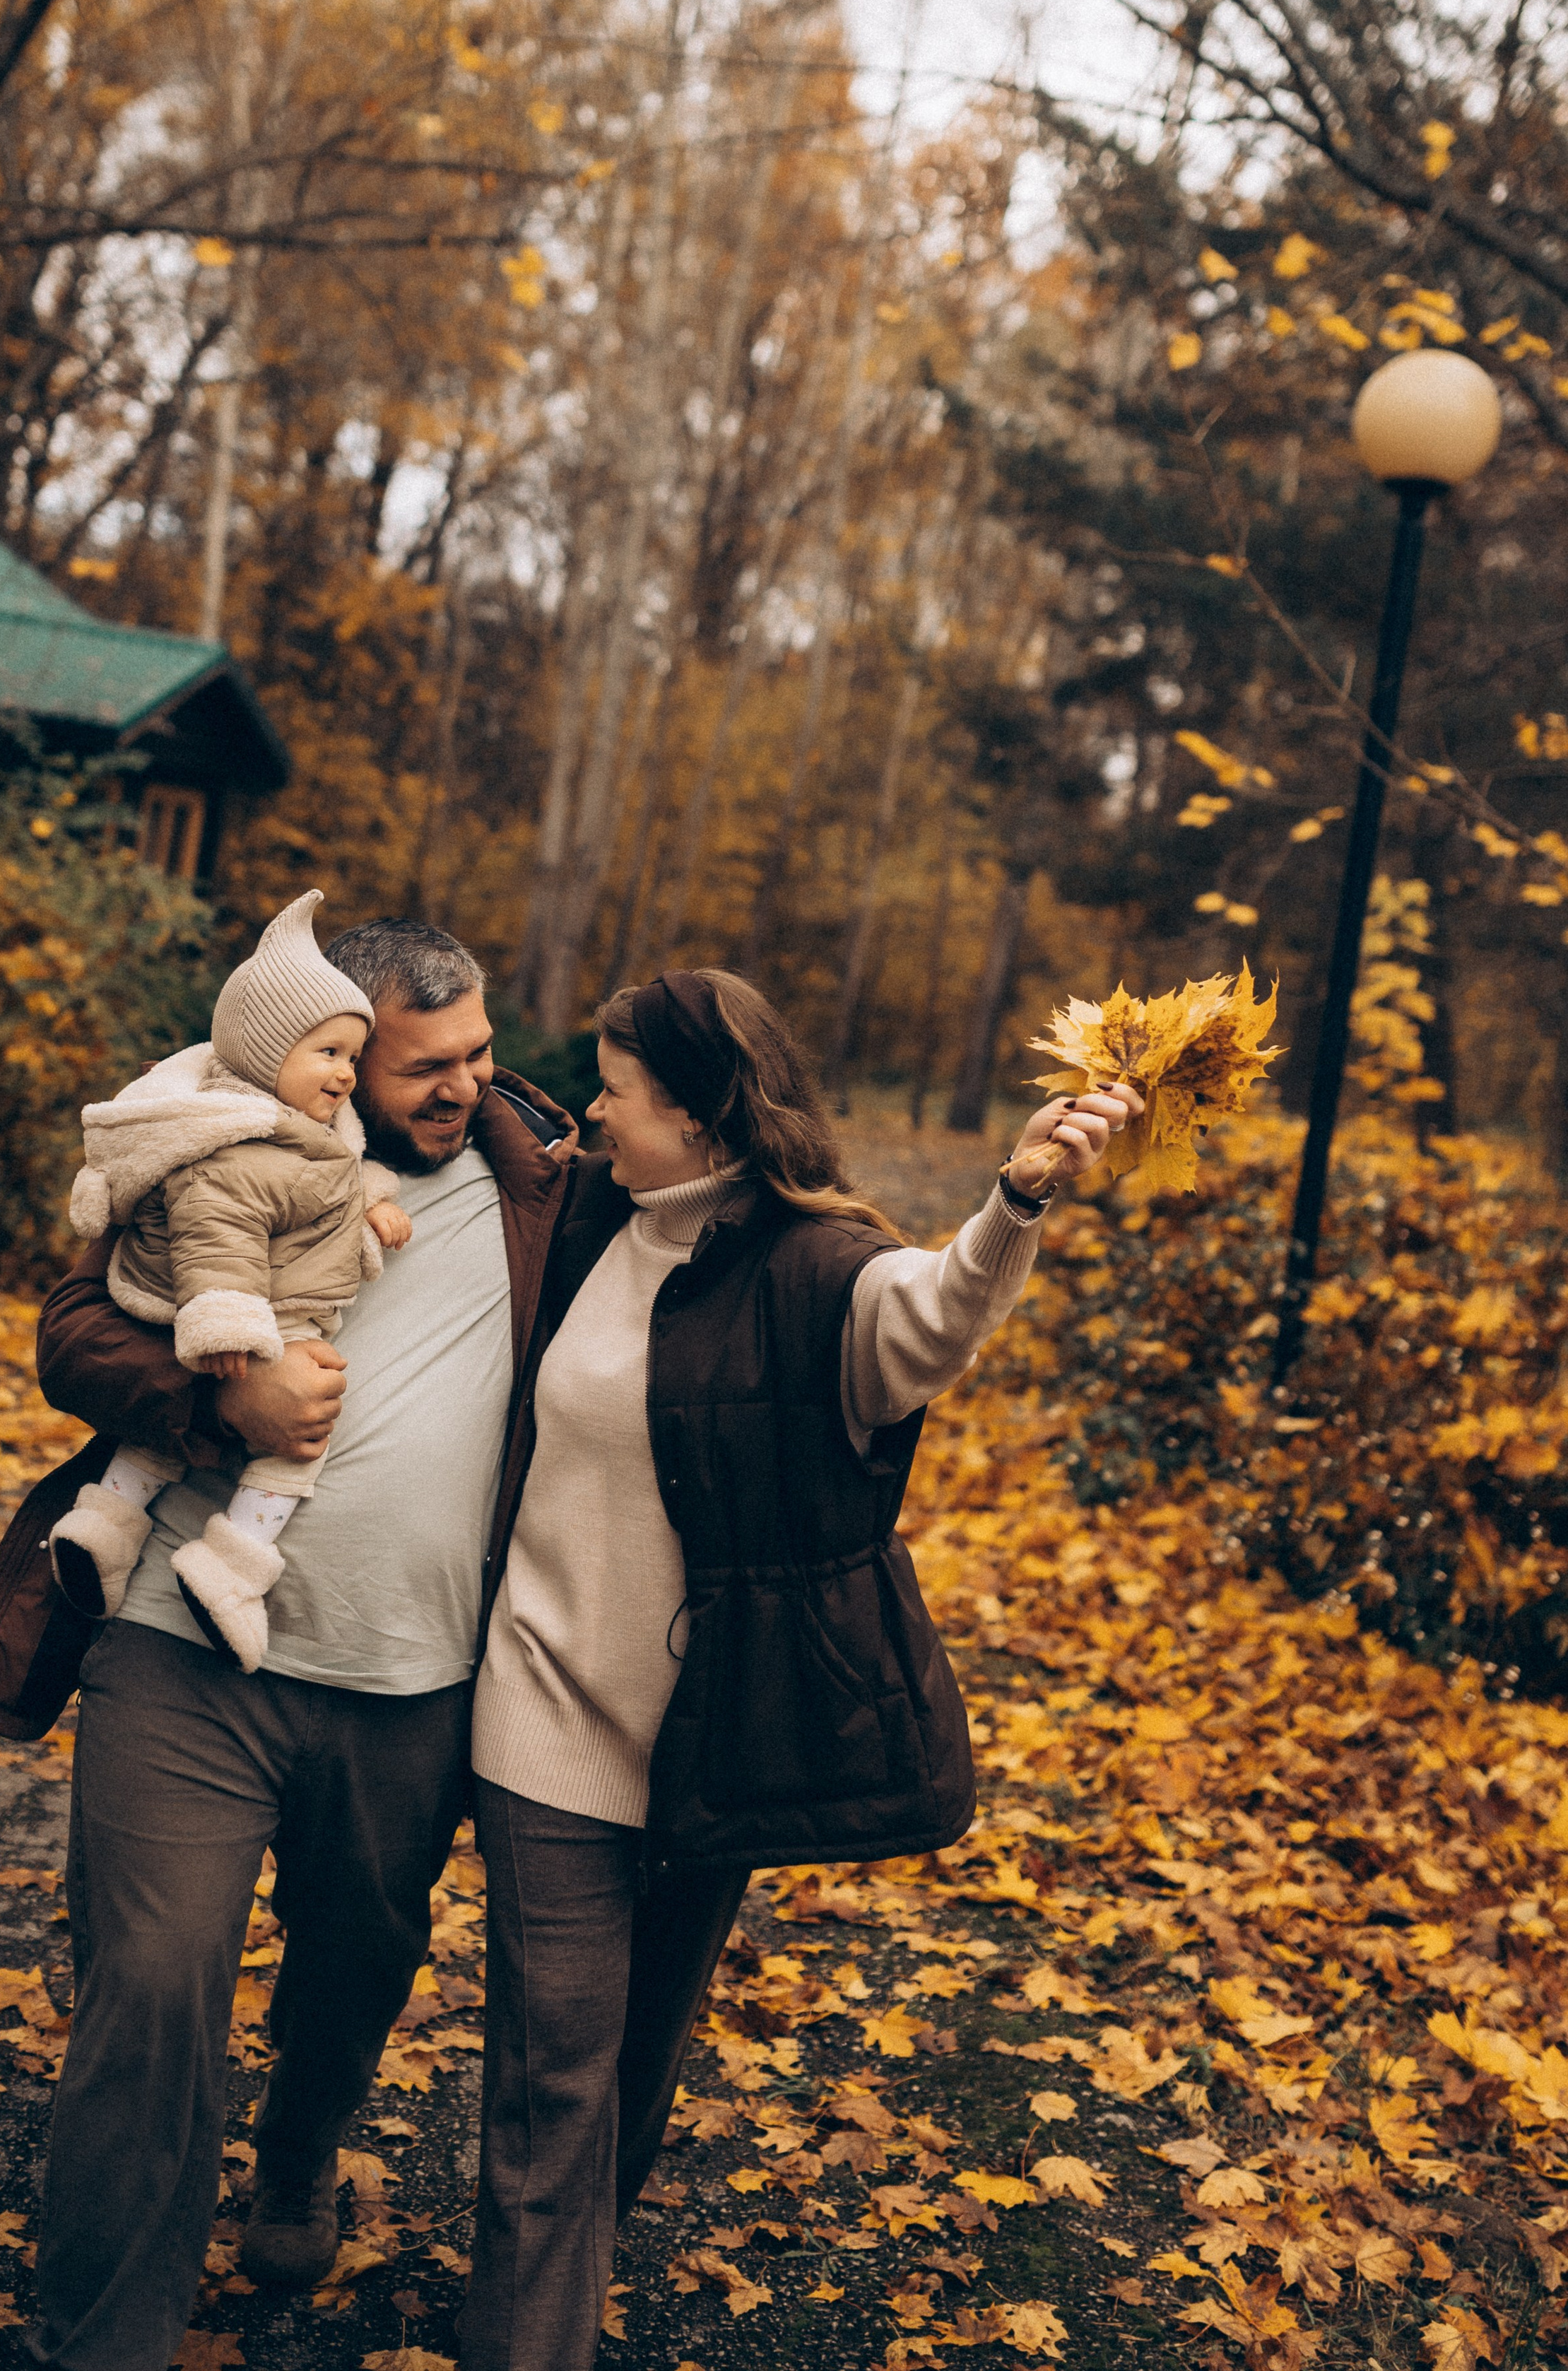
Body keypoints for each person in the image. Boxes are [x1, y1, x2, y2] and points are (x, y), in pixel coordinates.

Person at [0, 919, 589, 2371]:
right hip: (183, 1650)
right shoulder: (219, 1135)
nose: (464, 1087)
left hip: (411, 1681)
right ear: (331, 1060)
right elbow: (67, 1326)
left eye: (480, 1054)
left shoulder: (537, 1175)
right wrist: (213, 1404)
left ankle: (299, 2141)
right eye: (426, 1066)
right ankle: (104, 2336)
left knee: (356, 1970)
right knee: (153, 1985)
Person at [457, 967, 1140, 2371]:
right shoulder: (581, 1215)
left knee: (628, 2080)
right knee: (549, 2079)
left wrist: (1014, 1200)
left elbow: (925, 1318)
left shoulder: (812, 1266)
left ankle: (576, 2239)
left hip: (712, 1740)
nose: (593, 1110)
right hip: (538, 1715)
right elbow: (443, 1114)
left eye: (620, 1091)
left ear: (707, 1114)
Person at [47, 889, 411, 1670]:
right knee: (298, 1443)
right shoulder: (234, 1143)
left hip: (241, 1307)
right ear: (263, 1050)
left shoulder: (290, 1124)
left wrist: (374, 1202)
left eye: (354, 1055)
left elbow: (330, 1172)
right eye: (328, 1053)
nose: (347, 1074)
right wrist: (227, 1326)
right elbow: (221, 1225)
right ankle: (233, 1565)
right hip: (245, 1318)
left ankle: (102, 1525)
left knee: (154, 1447)